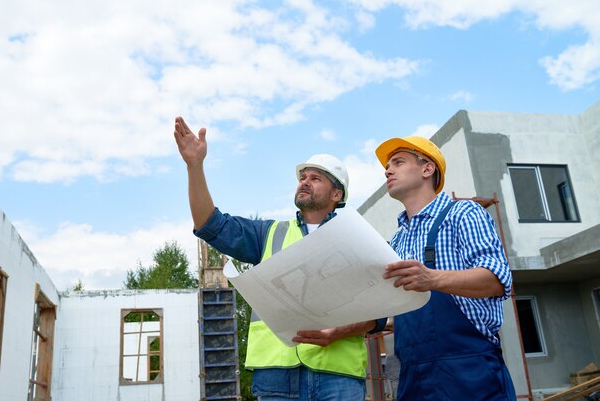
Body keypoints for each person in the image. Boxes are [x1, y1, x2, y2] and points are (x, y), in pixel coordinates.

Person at [173, 116, 386, 401]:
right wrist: (194, 167)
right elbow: (210, 224)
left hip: (338, 374)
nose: (304, 182)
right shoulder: (269, 233)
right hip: (276, 375)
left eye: (315, 178)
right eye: (302, 177)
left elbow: (379, 314)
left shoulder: (357, 238)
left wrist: (340, 331)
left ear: (337, 193)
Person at [376, 136, 516, 400]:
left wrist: (432, 278)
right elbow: (392, 312)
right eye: (387, 165)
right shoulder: (397, 240)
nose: (387, 170)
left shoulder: (463, 213)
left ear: (427, 169)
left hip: (469, 373)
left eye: (398, 162)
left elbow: (497, 279)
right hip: (412, 376)